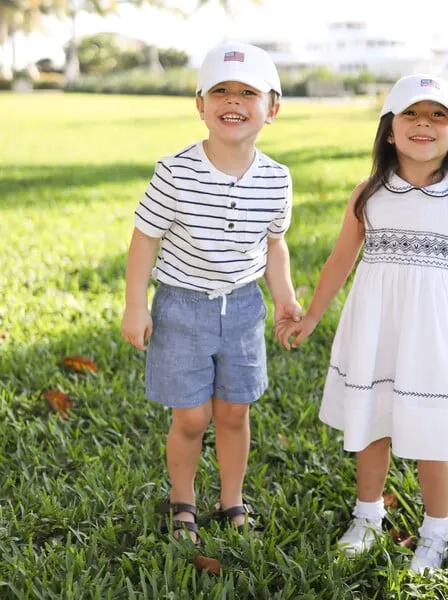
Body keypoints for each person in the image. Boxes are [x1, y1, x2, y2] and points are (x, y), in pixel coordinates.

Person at [276, 74, 448, 573]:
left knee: (432, 432)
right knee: (373, 422)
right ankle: (368, 516)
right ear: (389, 131)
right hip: (376, 328)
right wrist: (312, 315)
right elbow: (339, 259)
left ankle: (435, 531)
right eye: (411, 115)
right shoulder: (368, 194)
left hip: (434, 336)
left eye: (438, 115)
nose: (424, 124)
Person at [121, 42, 301, 543]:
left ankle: (231, 501)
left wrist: (284, 295)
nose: (233, 101)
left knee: (234, 411)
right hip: (182, 305)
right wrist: (136, 304)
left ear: (273, 108)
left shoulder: (276, 179)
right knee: (192, 415)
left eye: (248, 92)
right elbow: (145, 238)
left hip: (243, 307)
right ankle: (183, 503)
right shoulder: (174, 171)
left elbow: (274, 243)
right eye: (220, 91)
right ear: (200, 104)